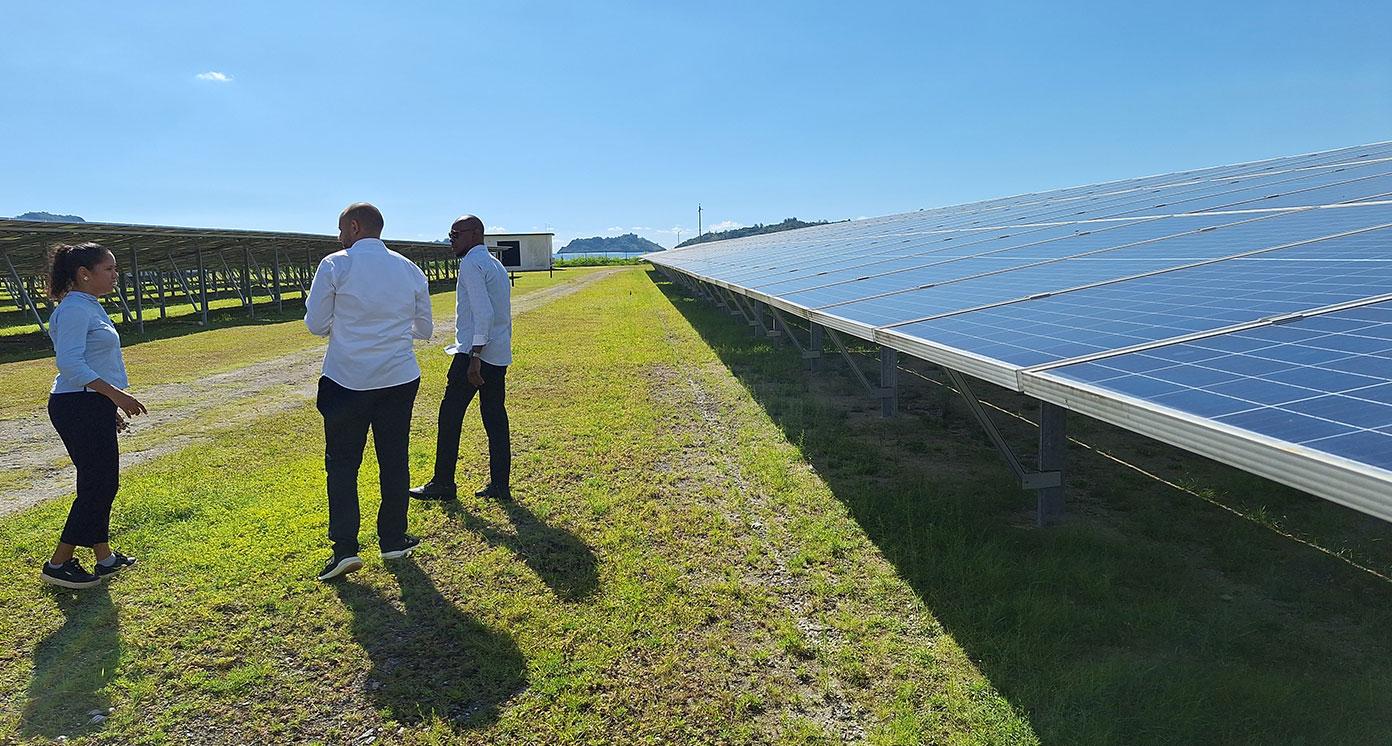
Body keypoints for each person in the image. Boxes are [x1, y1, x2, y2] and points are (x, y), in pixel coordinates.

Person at [306, 203, 433, 581]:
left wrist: (347, 329)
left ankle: (345, 548)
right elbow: (423, 329)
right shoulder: (410, 269)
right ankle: (393, 538)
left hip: (347, 379)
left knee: (342, 465)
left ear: (355, 226)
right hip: (398, 377)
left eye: (341, 228)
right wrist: (391, 333)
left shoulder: (335, 264)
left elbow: (315, 324)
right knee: (394, 459)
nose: (339, 236)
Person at [41, 242, 145, 589]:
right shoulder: (74, 310)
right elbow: (70, 364)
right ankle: (59, 563)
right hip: (77, 404)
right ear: (84, 274)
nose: (116, 275)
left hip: (89, 403)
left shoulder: (88, 306)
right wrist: (115, 394)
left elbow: (94, 361)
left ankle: (105, 558)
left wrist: (106, 404)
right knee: (98, 484)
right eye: (109, 269)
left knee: (99, 482)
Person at [411, 214, 513, 502]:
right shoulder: (494, 264)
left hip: (474, 354)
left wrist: (475, 356)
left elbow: (484, 313)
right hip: (498, 354)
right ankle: (500, 485)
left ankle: (443, 482)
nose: (450, 240)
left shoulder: (471, 263)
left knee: (449, 417)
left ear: (474, 234)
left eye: (455, 235)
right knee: (494, 418)